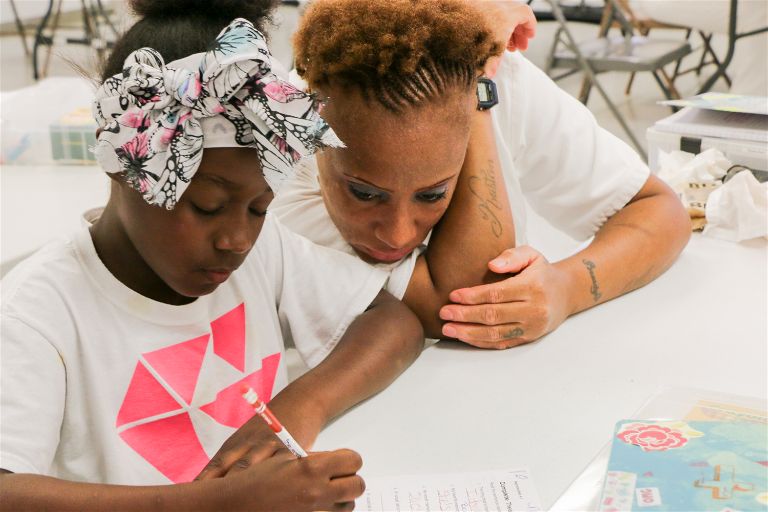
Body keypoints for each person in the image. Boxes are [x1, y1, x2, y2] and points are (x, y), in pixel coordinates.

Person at [0, 2, 424, 510]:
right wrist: (217, 504)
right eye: (206, 205)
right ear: (123, 162)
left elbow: (392, 322)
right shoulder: (36, 313)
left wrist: (297, 409)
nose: (237, 240)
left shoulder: (265, 251)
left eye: (259, 207)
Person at [270, 0, 692, 349]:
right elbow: (469, 300)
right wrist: (476, 97)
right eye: (364, 194)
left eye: (432, 195)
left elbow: (659, 209)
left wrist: (567, 286)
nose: (398, 235)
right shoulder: (284, 140)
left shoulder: (497, 80)